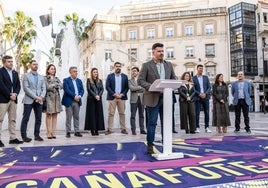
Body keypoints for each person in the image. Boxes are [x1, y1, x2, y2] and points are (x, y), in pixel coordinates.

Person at [138, 42, 176, 154]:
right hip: (152, 98)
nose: (161, 53)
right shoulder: (147, 65)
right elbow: (140, 80)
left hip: (167, 98)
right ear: (153, 52)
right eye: (159, 51)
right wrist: (151, 87)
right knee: (152, 122)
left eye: (162, 51)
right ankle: (150, 145)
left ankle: (167, 143)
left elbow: (173, 78)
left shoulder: (169, 65)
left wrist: (174, 83)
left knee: (167, 123)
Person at [20, 59, 46, 142]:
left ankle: (37, 135)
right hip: (29, 100)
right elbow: (26, 88)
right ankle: (24, 136)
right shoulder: (26, 76)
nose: (36, 66)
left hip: (39, 100)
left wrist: (41, 97)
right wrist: (36, 97)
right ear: (30, 65)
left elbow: (44, 88)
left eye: (37, 64)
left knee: (39, 118)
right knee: (26, 118)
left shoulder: (41, 77)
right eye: (34, 64)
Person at [0, 55, 23, 147]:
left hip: (14, 99)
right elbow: (1, 85)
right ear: (4, 62)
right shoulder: (0, 71)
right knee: (0, 119)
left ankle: (13, 138)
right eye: (9, 61)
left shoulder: (14, 73)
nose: (11, 63)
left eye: (11, 61)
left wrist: (15, 94)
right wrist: (10, 94)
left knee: (12, 119)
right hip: (3, 99)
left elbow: (18, 85)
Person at [105, 62, 129, 135]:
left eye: (119, 66)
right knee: (111, 114)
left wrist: (122, 94)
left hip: (121, 97)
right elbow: (107, 87)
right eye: (116, 66)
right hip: (112, 97)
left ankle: (123, 129)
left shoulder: (125, 76)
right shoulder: (110, 76)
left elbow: (126, 87)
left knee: (122, 113)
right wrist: (114, 94)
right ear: (114, 67)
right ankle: (110, 129)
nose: (118, 67)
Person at [62, 66, 84, 138]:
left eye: (76, 71)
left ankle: (77, 131)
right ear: (70, 72)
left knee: (76, 117)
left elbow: (82, 90)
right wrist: (75, 96)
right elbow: (67, 90)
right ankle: (68, 132)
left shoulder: (79, 81)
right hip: (69, 101)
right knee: (69, 117)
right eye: (74, 71)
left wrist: (79, 96)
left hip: (77, 101)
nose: (76, 73)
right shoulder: (66, 80)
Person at [44, 64, 63, 139]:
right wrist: (55, 85)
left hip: (56, 98)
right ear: (48, 70)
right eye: (51, 69)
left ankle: (53, 132)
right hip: (48, 98)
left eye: (54, 69)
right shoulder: (45, 78)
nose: (53, 70)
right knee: (49, 115)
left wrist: (54, 85)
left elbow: (61, 86)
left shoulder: (57, 78)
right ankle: (48, 132)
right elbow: (47, 87)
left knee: (55, 115)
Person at [84, 68, 105, 136]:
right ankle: (92, 130)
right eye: (94, 72)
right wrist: (95, 95)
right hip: (91, 99)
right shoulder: (89, 80)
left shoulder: (100, 81)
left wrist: (99, 95)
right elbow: (89, 89)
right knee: (92, 115)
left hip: (98, 99)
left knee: (98, 114)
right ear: (91, 73)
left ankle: (97, 129)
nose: (95, 73)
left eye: (96, 72)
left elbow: (102, 89)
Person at [193, 64, 212, 133]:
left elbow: (209, 87)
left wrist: (205, 93)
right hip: (198, 98)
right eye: (200, 68)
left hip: (206, 97)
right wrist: (199, 94)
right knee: (197, 113)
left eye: (202, 68)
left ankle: (207, 127)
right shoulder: (194, 78)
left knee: (207, 112)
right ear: (197, 69)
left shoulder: (206, 77)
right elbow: (193, 88)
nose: (201, 70)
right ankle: (197, 127)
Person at [128, 67, 146, 135]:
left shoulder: (142, 80)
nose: (133, 72)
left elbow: (144, 89)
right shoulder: (130, 81)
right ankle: (133, 130)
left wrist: (138, 88)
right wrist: (140, 87)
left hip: (141, 99)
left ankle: (142, 129)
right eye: (132, 71)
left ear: (138, 72)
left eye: (135, 71)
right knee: (133, 115)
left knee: (141, 115)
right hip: (133, 100)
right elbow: (131, 89)